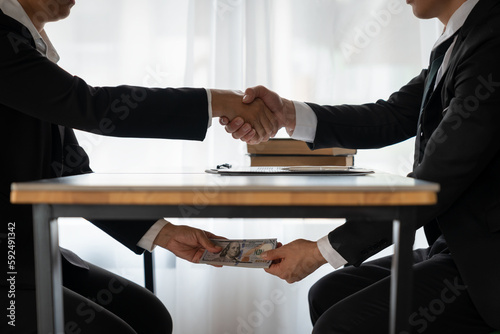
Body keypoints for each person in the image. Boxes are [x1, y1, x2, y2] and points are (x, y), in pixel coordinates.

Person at [0, 0, 279, 333]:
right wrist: (217, 101)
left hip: (28, 255)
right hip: (11, 263)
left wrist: (163, 233)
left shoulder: (29, 47)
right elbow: (91, 106)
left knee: (150, 317)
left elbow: (73, 174)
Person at [222, 0, 500, 332]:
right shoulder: (461, 37)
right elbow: (391, 115)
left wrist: (321, 251)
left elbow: (434, 182)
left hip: (485, 260)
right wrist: (285, 113)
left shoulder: (492, 40)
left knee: (341, 324)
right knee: (327, 294)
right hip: (455, 247)